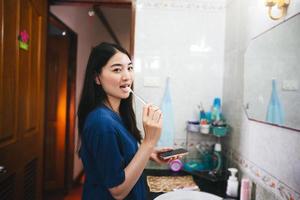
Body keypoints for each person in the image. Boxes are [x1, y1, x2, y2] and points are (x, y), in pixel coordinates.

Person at [77, 42, 174, 200]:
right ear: (97, 78)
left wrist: (150, 152)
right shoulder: (102, 123)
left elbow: (118, 155)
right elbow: (118, 191)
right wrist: (149, 142)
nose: (127, 76)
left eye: (129, 68)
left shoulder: (117, 114)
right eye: (117, 69)